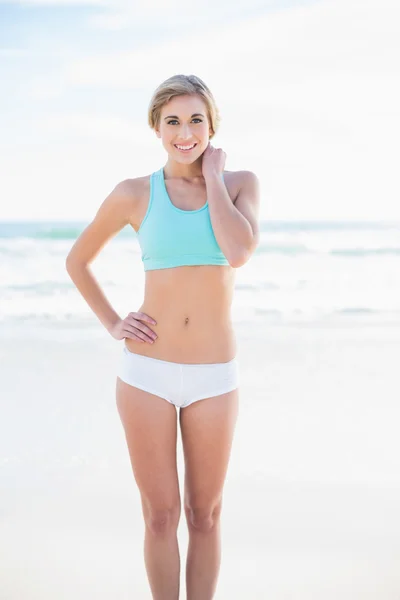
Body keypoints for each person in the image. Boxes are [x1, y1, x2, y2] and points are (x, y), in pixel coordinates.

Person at [65, 73, 260, 600]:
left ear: (211, 125)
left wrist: (214, 179)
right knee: (159, 517)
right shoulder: (133, 194)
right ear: (156, 127)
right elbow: (77, 260)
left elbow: (239, 251)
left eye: (196, 119)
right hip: (146, 373)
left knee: (204, 515)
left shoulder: (240, 183)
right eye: (172, 121)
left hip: (215, 377)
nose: (185, 132)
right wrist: (112, 322)